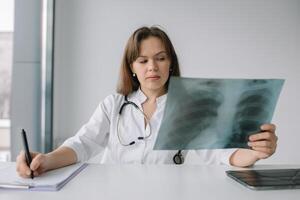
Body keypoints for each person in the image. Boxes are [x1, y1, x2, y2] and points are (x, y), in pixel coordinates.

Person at [16, 26, 278, 178]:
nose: (152, 66)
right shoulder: (114, 105)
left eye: (161, 58)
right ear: (132, 67)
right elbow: (82, 144)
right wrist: (46, 161)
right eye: (142, 60)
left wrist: (256, 152)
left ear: (171, 62)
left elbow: (222, 154)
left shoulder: (191, 106)